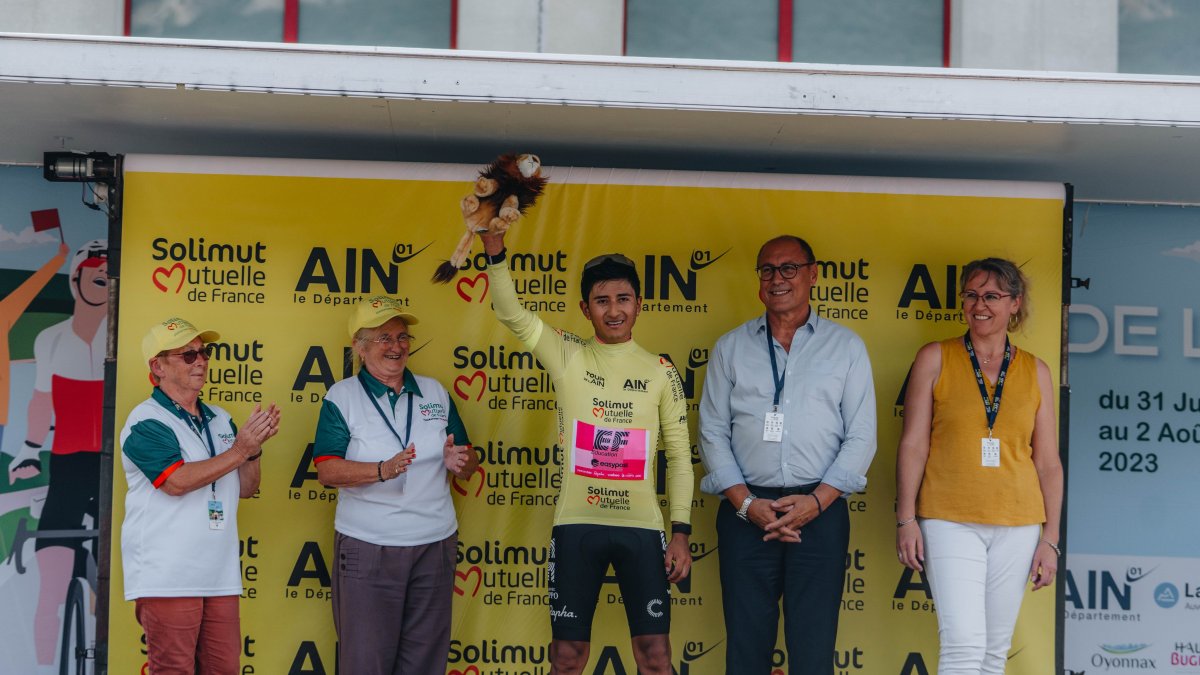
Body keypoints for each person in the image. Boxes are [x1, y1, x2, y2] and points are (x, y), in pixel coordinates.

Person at [479, 230, 693, 675]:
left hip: (642, 529)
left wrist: (681, 533)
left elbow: (678, 455)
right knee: (567, 658)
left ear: (639, 304)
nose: (613, 310)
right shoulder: (567, 355)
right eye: (601, 301)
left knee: (655, 656)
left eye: (623, 298)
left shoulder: (660, 371)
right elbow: (510, 312)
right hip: (577, 526)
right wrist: (495, 250)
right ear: (584, 309)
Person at [698, 235, 876, 675]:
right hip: (746, 513)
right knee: (745, 648)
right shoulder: (730, 348)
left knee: (814, 651)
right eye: (767, 270)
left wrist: (816, 502)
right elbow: (713, 432)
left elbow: (862, 436)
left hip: (820, 510)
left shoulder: (846, 347)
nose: (778, 279)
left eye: (789, 268)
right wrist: (746, 504)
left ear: (813, 274)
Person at [895, 258, 1062, 674]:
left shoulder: (1036, 370)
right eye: (971, 295)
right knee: (964, 644)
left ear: (1014, 304)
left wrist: (1051, 539)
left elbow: (1047, 462)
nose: (978, 304)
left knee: (993, 650)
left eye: (991, 296)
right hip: (949, 518)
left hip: (1019, 522)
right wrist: (906, 519)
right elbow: (913, 443)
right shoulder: (935, 357)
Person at [313, 296, 478, 675]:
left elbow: (467, 456)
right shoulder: (343, 397)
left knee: (425, 661)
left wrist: (462, 462)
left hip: (434, 545)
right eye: (384, 337)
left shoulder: (435, 393)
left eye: (402, 337)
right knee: (365, 661)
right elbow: (327, 470)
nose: (397, 346)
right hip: (368, 546)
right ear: (360, 346)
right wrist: (381, 470)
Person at [119, 316, 280, 675]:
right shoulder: (145, 421)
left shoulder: (220, 418)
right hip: (168, 574)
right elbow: (175, 482)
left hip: (219, 573)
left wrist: (253, 451)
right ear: (157, 366)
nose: (202, 361)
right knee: (173, 669)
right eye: (188, 355)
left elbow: (248, 488)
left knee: (224, 669)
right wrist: (240, 450)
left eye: (204, 352)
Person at [7, 239, 107, 672]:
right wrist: (28, 451)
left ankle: (110, 652)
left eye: (110, 276)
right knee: (52, 577)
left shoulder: (123, 334)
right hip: (66, 461)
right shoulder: (51, 339)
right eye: (96, 273)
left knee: (113, 574)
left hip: (109, 464)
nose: (104, 281)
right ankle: (47, 664)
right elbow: (40, 402)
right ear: (77, 278)